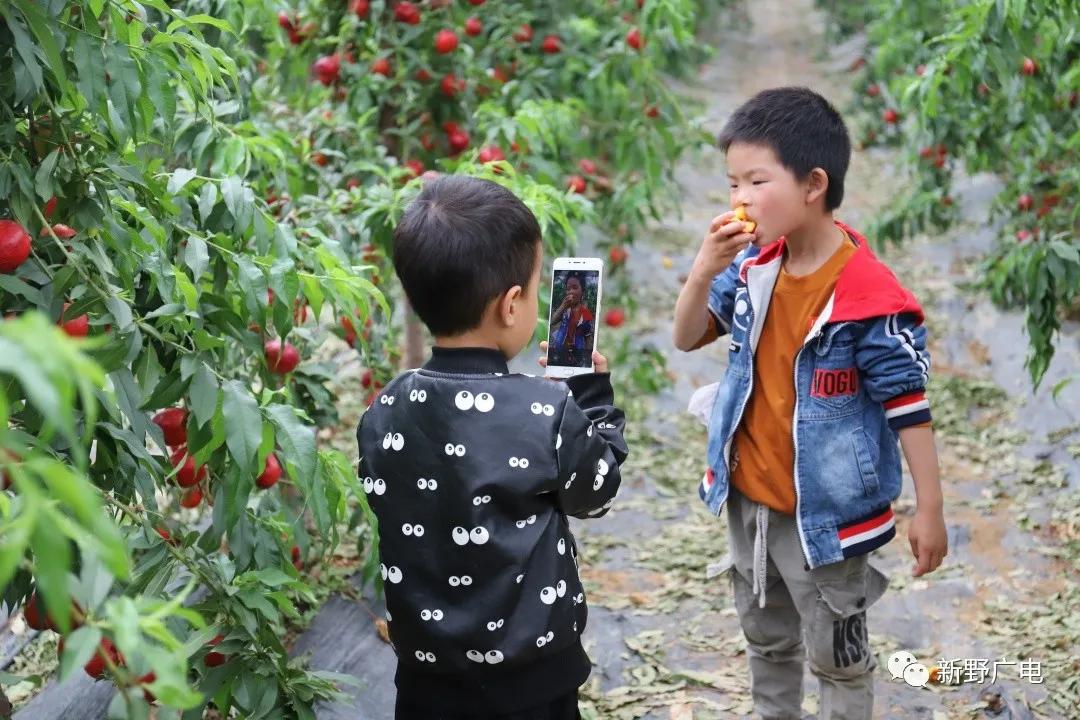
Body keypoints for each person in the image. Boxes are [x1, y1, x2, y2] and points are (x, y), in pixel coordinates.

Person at [672, 87, 948, 720]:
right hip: (752, 508)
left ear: (813, 185)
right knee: (767, 644)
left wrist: (928, 507)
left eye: (755, 180)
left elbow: (908, 402)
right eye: (731, 182)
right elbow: (687, 337)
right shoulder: (753, 268)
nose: (738, 198)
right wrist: (701, 268)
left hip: (828, 523)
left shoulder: (867, 298)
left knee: (839, 658)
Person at [357, 175, 629, 720]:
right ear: (511, 305)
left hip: (427, 674)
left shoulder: (385, 408)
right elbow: (596, 490)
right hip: (531, 676)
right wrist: (591, 397)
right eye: (533, 289)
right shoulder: (544, 412)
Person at [548, 273, 594, 368]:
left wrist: (587, 357)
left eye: (575, 287)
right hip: (560, 349)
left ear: (583, 292)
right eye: (568, 289)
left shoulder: (586, 314)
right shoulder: (565, 309)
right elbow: (552, 322)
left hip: (576, 354)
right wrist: (563, 306)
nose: (570, 292)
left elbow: (587, 337)